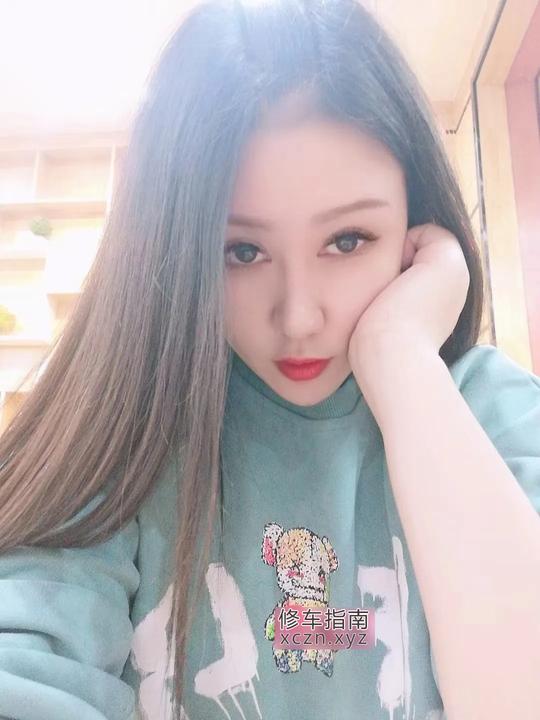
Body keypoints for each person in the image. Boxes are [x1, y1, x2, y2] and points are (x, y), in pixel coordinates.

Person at [0, 0, 539, 718]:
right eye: (243, 251)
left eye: (347, 240)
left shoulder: (487, 409)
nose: (298, 316)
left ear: (415, 224)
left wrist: (403, 359)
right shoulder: (126, 429)